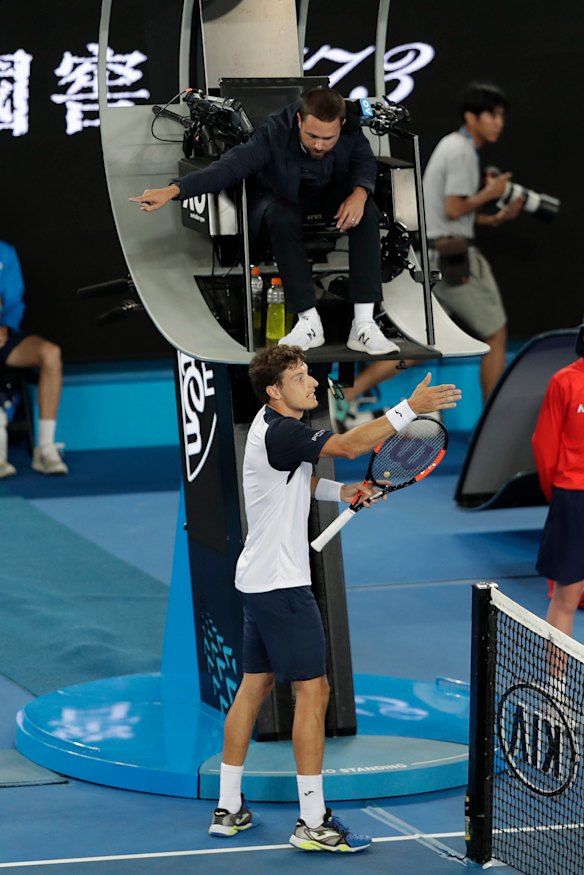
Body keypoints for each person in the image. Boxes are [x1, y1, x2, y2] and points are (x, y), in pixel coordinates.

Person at [207, 343, 461, 852]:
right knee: (313, 693)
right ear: (276, 391)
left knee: (253, 686)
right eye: (301, 376)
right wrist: (409, 409)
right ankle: (313, 821)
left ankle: (228, 807)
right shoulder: (284, 431)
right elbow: (346, 446)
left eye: (309, 373)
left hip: (257, 581)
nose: (314, 382)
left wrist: (340, 493)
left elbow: (295, 482)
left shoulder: (270, 427)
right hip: (281, 586)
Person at [130, 87, 398, 356]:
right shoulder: (276, 131)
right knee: (281, 217)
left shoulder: (350, 126)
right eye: (312, 136)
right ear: (299, 121)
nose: (319, 145)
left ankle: (363, 324)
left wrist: (360, 193)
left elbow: (364, 162)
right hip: (283, 197)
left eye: (328, 139)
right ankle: (309, 322)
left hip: (328, 193)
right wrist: (173, 191)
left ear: (340, 125)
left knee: (368, 214)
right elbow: (229, 167)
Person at [422, 81, 524, 403]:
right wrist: (490, 194)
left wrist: (494, 217)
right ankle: (492, 416)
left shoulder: (455, 147)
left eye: (501, 116)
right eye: (492, 115)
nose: (499, 123)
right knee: (495, 334)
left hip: (433, 255)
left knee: (420, 346)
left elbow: (447, 211)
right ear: (471, 117)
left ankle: (351, 396)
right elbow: (454, 209)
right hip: (452, 260)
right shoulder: (461, 151)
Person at [532, 322, 584, 662]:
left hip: (572, 498)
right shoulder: (564, 380)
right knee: (565, 600)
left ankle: (557, 692)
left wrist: (559, 496)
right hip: (572, 496)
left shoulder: (563, 380)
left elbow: (544, 447)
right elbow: (544, 444)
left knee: (564, 600)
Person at [0, 240, 68, 477]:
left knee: (50, 353)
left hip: (3, 335)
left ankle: (45, 448)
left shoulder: (4, 252)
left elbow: (13, 301)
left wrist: (5, 327)